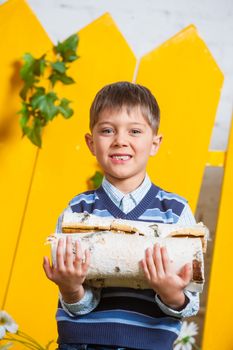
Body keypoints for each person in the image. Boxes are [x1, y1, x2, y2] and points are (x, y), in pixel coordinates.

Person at [43, 81, 199, 350]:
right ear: (91, 143)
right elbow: (78, 306)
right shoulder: (76, 213)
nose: (120, 141)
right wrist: (70, 287)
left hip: (149, 345)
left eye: (135, 131)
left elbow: (189, 304)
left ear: (155, 143)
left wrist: (170, 292)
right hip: (81, 344)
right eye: (107, 130)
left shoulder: (176, 212)